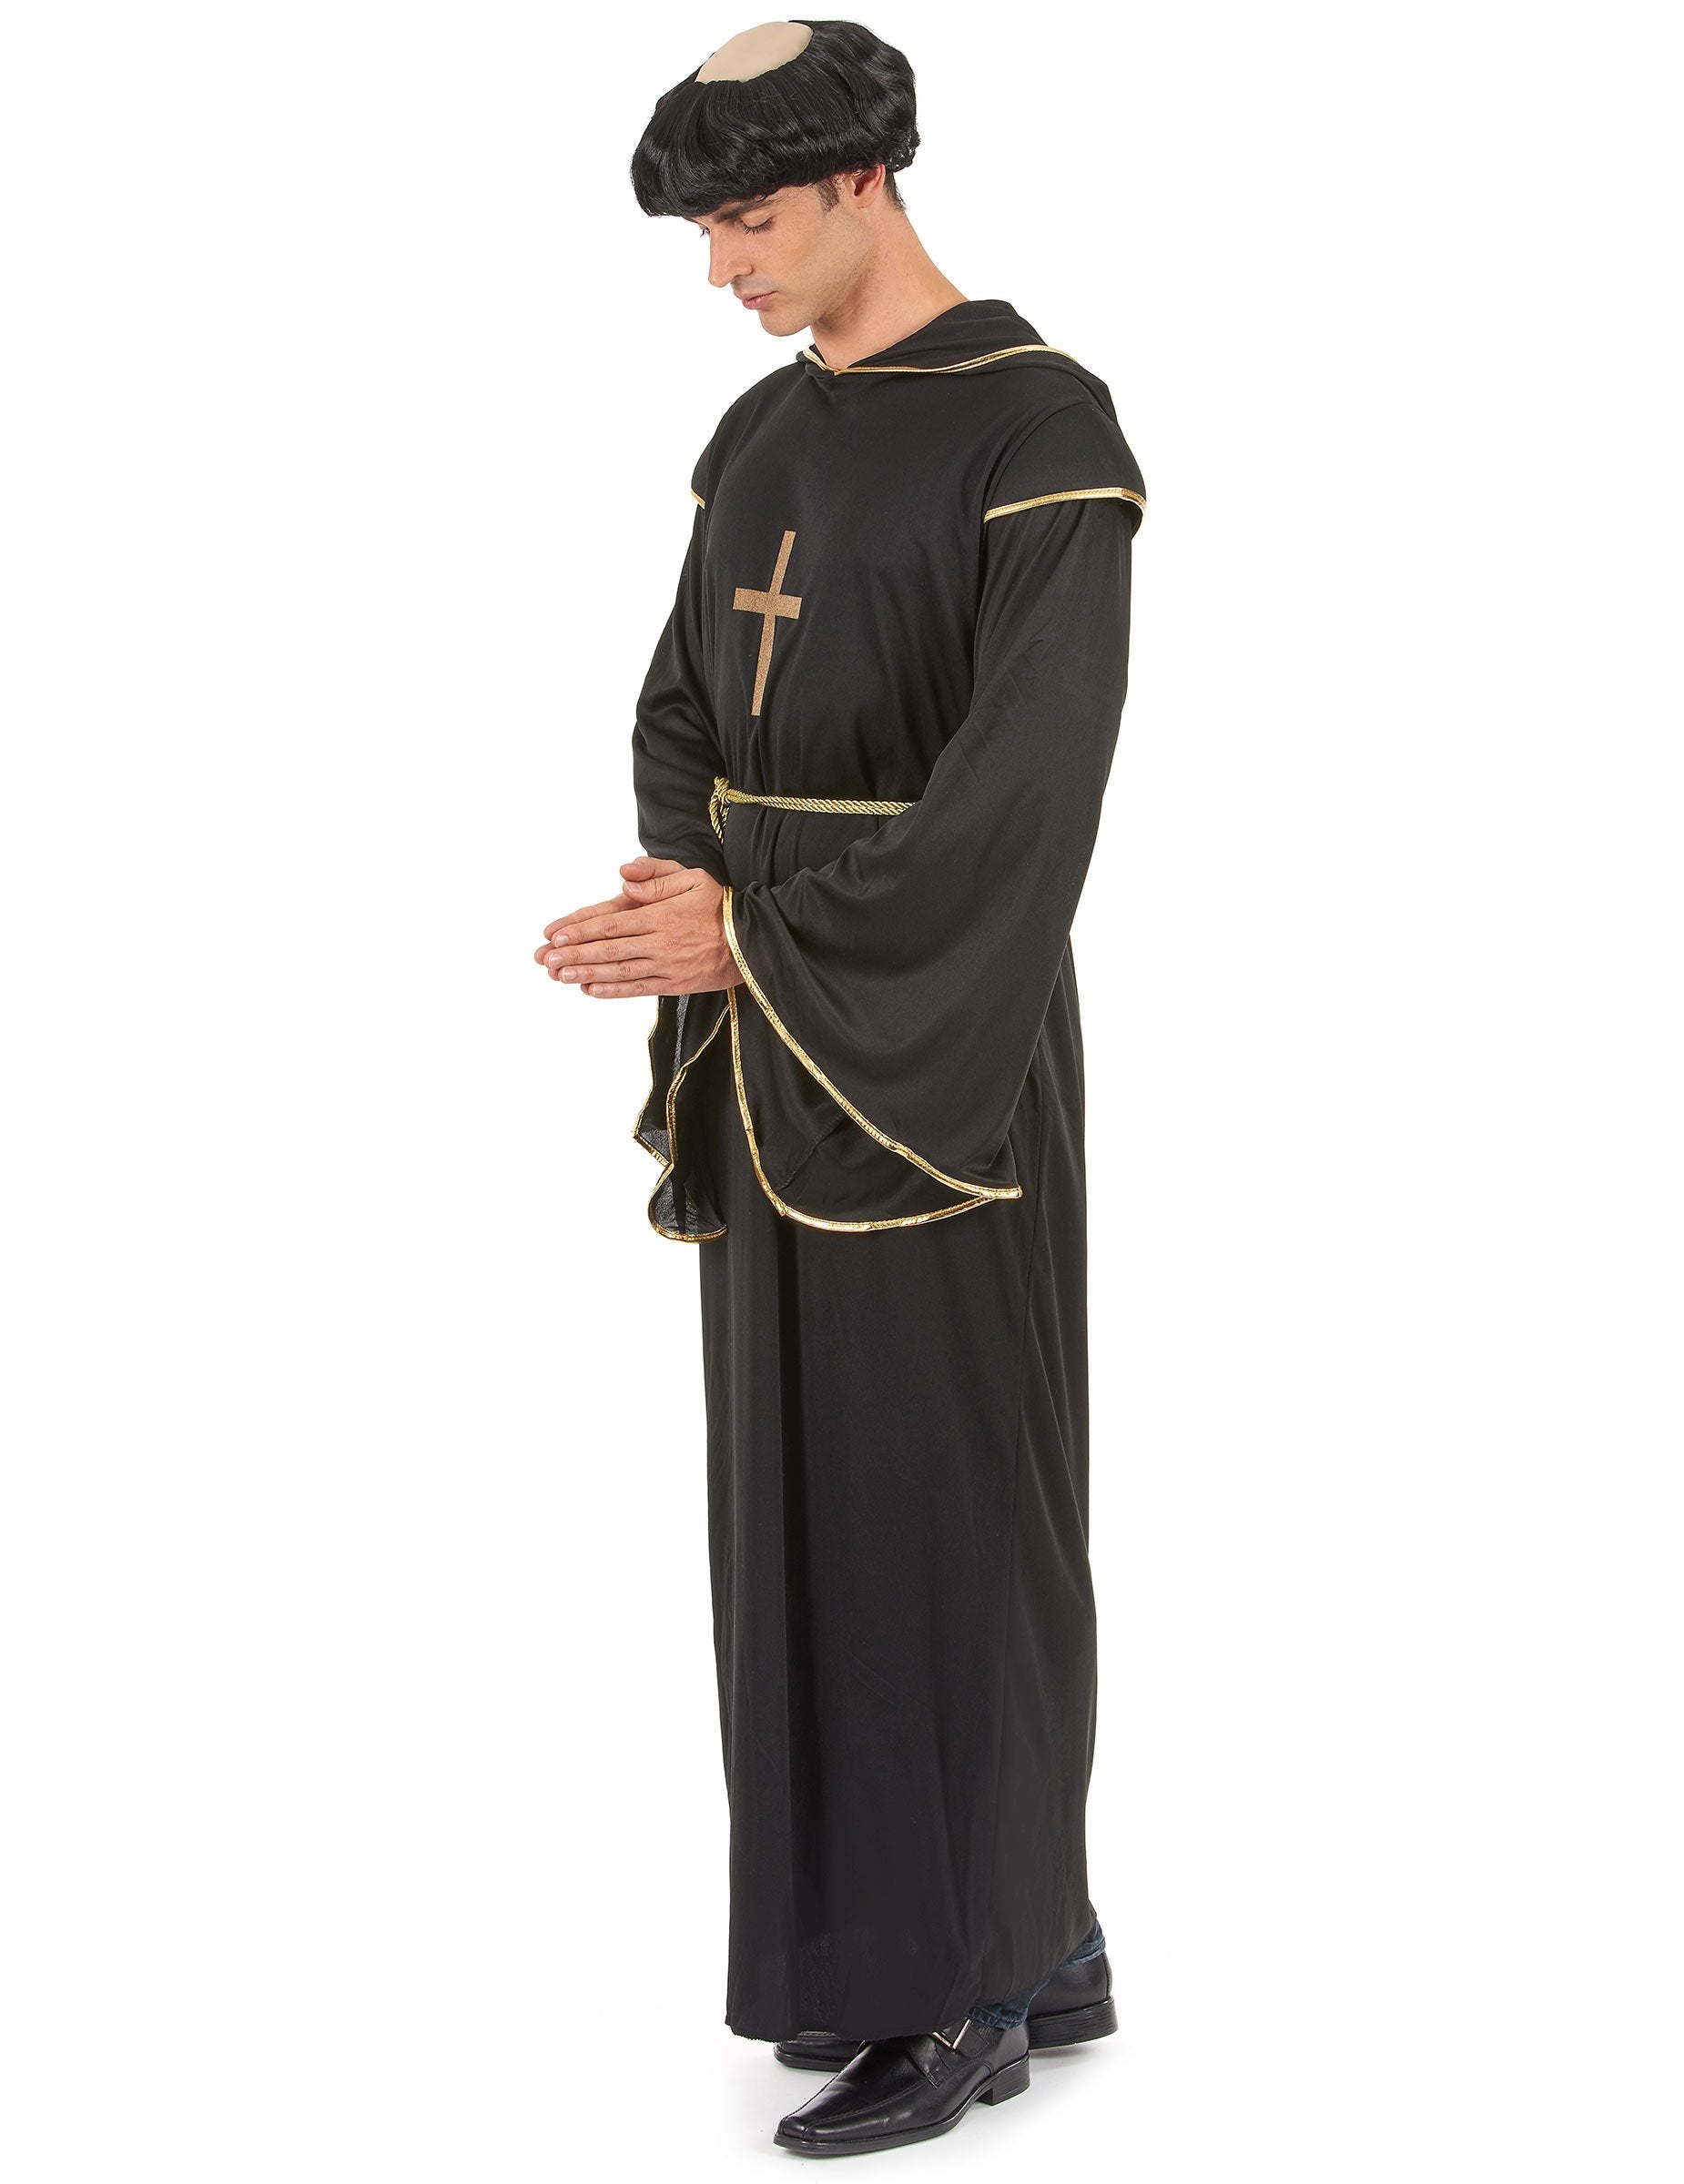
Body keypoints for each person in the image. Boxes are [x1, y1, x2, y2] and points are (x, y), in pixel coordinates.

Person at [534, 18, 1146, 2158]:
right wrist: (686, 887)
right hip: (775, 1036)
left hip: (932, 1033)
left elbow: (1024, 799)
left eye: (750, 219)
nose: (723, 268)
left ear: (868, 177)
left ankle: (970, 1975)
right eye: (705, 230)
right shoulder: (759, 437)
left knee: (953, 1500)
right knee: (803, 1507)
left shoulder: (1042, 432)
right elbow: (682, 699)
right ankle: (975, 1939)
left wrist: (758, 935)